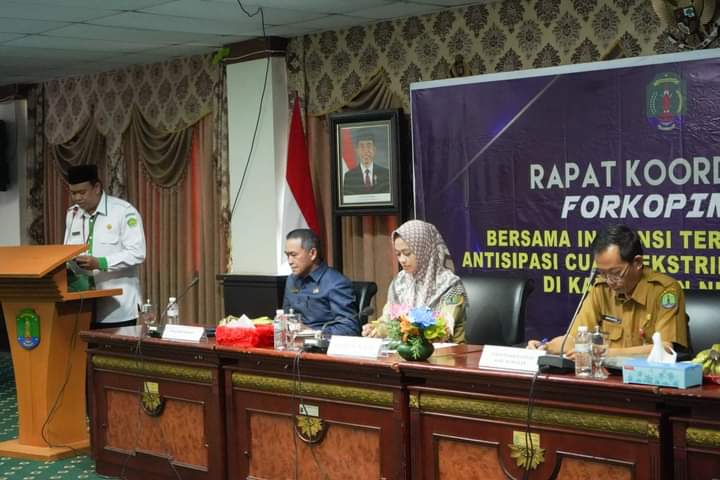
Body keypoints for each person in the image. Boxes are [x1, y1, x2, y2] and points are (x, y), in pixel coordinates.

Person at [527, 224, 688, 357]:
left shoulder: (664, 290)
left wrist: (603, 353)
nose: (609, 281)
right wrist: (545, 347)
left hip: (647, 379)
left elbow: (665, 349)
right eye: (603, 273)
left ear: (637, 263)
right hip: (606, 378)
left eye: (616, 273)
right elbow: (575, 338)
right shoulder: (601, 288)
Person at [63, 164, 146, 328]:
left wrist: (101, 262)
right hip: (81, 306)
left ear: (97, 187)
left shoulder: (123, 211)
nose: (77, 198)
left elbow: (137, 252)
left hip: (117, 307)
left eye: (82, 192)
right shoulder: (72, 214)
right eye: (73, 193)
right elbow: (66, 250)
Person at [362, 220, 467, 343]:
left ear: (424, 250)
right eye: (398, 254)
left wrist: (396, 329)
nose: (402, 260)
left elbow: (444, 328)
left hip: (448, 351)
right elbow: (389, 318)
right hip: (407, 349)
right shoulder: (400, 282)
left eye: (407, 253)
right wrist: (376, 328)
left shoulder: (451, 285)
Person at [282, 228, 359, 335]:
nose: (289, 261)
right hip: (294, 341)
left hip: (322, 342)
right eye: (287, 255)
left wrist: (313, 332)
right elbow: (286, 317)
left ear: (312, 253)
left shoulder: (336, 283)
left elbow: (350, 328)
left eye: (294, 255)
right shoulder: (291, 280)